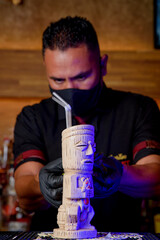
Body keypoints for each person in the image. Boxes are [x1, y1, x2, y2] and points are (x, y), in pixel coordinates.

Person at [13, 16, 160, 232]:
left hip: (122, 235)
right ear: (46, 71)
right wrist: (43, 184)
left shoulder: (139, 108)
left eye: (81, 77)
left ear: (103, 65)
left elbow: (155, 178)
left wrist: (119, 174)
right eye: (58, 80)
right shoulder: (32, 117)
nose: (70, 89)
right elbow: (24, 193)